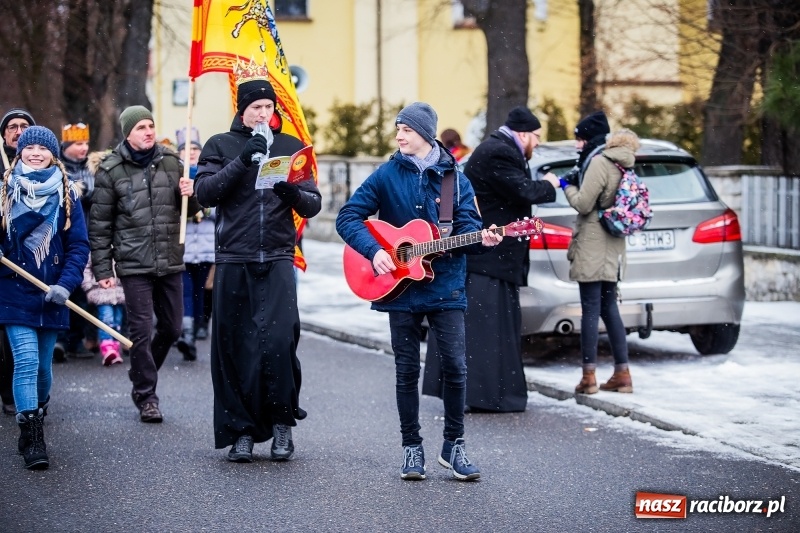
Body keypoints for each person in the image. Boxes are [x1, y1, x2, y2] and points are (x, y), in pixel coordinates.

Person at [336, 102, 503, 481]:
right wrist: (375, 250)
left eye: (406, 130)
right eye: (398, 129)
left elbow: (467, 229)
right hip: (399, 289)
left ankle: (454, 445)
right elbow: (348, 217)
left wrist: (483, 239)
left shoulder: (455, 179)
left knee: (456, 367)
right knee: (406, 370)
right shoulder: (386, 174)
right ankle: (411, 447)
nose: (399, 136)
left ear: (425, 134)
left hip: (446, 286)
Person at [194, 66, 321, 463]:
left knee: (279, 342)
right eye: (256, 107)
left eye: (268, 106)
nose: (263, 113)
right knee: (235, 347)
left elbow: (313, 203)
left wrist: (291, 192)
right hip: (235, 258)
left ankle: (282, 423)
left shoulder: (290, 145)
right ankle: (242, 431)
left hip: (278, 257)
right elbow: (205, 193)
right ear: (242, 109)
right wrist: (242, 161)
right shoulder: (220, 144)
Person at [423, 106, 560, 413]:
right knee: (484, 332)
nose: (538, 143)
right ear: (523, 134)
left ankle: (484, 395)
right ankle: (482, 396)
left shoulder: (497, 149)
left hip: (490, 259)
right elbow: (523, 191)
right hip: (488, 259)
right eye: (537, 137)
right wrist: (551, 184)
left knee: (485, 330)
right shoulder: (499, 152)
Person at [89, 105, 200, 423]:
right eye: (141, 127)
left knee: (172, 328)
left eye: (151, 125)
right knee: (140, 330)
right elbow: (100, 225)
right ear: (127, 133)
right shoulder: (111, 170)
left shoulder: (171, 162)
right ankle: (146, 395)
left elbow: (191, 210)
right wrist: (103, 269)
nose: (149, 131)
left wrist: (191, 194)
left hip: (169, 258)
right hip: (133, 263)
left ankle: (141, 371)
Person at [0, 126, 90, 469]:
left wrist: (66, 285)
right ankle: (32, 435)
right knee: (25, 361)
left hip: (53, 293)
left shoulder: (68, 194)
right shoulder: (5, 191)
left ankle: (38, 408)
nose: (35, 153)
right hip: (13, 289)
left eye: (43, 148)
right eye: (30, 147)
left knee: (42, 368)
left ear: (54, 154)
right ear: (19, 152)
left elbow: (78, 246)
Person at [559, 128, 639, 395]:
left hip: (592, 243)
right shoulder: (626, 165)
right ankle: (623, 374)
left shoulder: (601, 162)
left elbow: (583, 204)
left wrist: (567, 186)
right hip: (614, 244)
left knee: (590, 310)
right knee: (610, 308)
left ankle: (588, 377)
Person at [0, 108, 36, 417]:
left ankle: (15, 393)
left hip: (27, 263)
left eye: (24, 126)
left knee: (19, 336)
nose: (18, 131)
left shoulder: (41, 166)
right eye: (12, 126)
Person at [53, 122, 97, 362]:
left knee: (82, 291)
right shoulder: (55, 167)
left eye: (86, 143)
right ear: (66, 145)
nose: (84, 148)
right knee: (62, 287)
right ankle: (59, 339)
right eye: (78, 143)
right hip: (60, 238)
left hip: (87, 236)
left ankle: (76, 340)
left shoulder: (93, 168)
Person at [175, 127, 214, 361]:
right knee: (185, 291)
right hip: (184, 246)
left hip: (206, 246)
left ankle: (199, 325)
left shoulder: (209, 172)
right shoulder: (175, 174)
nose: (190, 153)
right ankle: (187, 334)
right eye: (186, 149)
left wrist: (203, 208)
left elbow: (220, 204)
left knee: (201, 291)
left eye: (195, 149)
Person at [81, 257, 125, 366]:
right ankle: (107, 347)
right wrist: (89, 286)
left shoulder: (119, 250)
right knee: (106, 319)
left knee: (117, 321)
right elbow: (86, 268)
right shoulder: (95, 251)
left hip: (119, 292)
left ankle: (114, 348)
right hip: (101, 292)